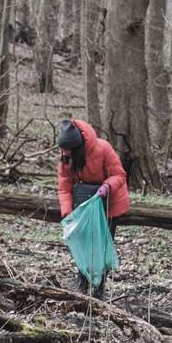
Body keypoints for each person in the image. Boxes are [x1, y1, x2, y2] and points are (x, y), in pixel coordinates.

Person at [57, 117, 129, 296]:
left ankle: (99, 288)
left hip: (109, 204)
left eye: (67, 149)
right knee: (83, 244)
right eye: (63, 149)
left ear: (77, 146)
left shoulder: (103, 148)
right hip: (82, 207)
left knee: (101, 246)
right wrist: (67, 212)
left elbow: (119, 175)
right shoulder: (66, 157)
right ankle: (82, 282)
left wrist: (107, 186)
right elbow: (64, 184)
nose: (64, 153)